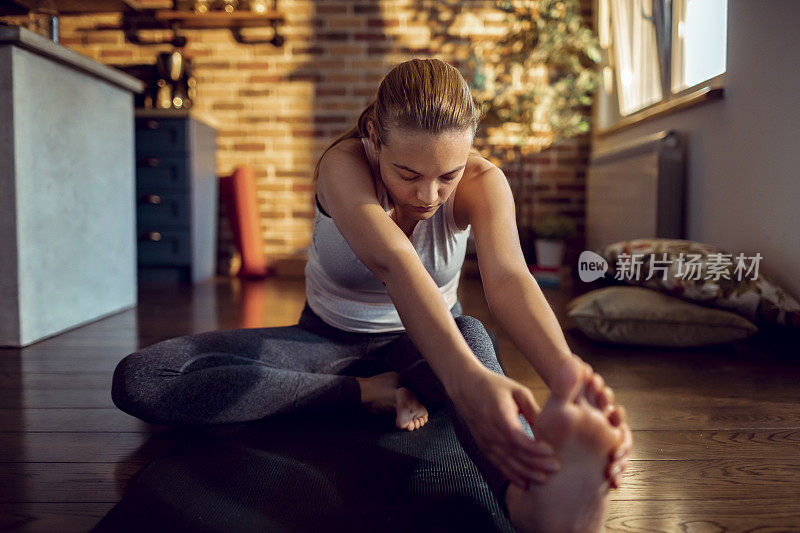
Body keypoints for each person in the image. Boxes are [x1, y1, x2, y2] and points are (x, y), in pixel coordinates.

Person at [112, 58, 632, 532]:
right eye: (409, 174)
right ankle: (371, 392)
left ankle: (531, 499)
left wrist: (568, 378)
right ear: (373, 140)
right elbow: (396, 266)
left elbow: (509, 279)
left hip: (429, 343)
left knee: (470, 338)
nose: (428, 196)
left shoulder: (484, 182)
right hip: (326, 344)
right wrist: (465, 381)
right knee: (142, 379)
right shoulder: (343, 166)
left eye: (447, 176)